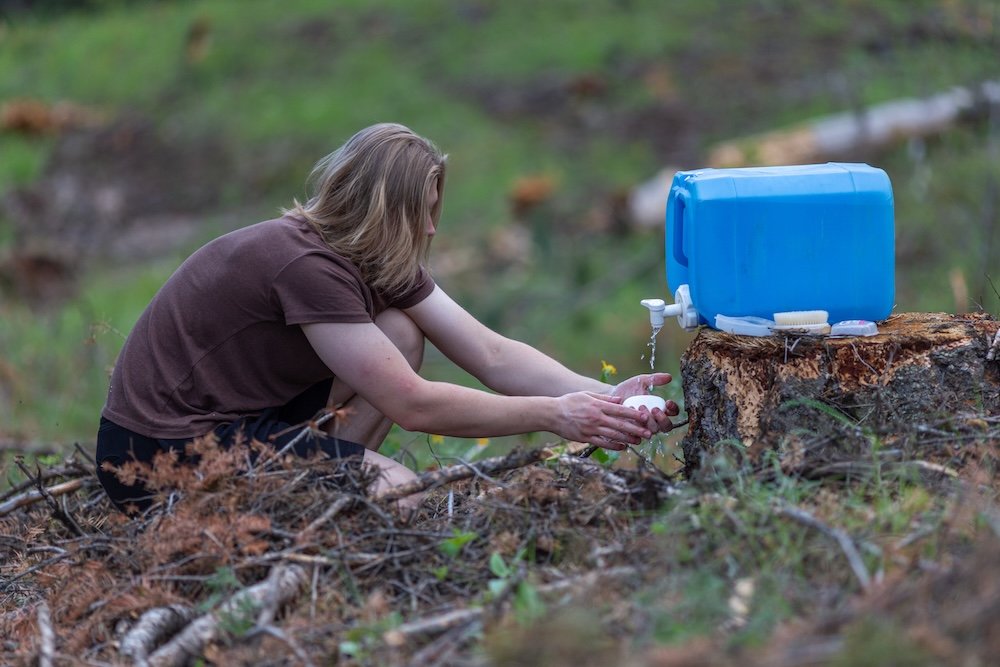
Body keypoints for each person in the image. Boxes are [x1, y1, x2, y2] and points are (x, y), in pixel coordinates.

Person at [95, 122, 679, 513]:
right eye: (421, 214)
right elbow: (414, 405)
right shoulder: (305, 265)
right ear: (382, 211)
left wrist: (604, 400)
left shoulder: (370, 255)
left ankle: (320, 495)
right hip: (156, 455)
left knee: (398, 332)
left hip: (241, 422)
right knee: (398, 493)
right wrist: (555, 416)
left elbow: (492, 354)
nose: (430, 230)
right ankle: (323, 510)